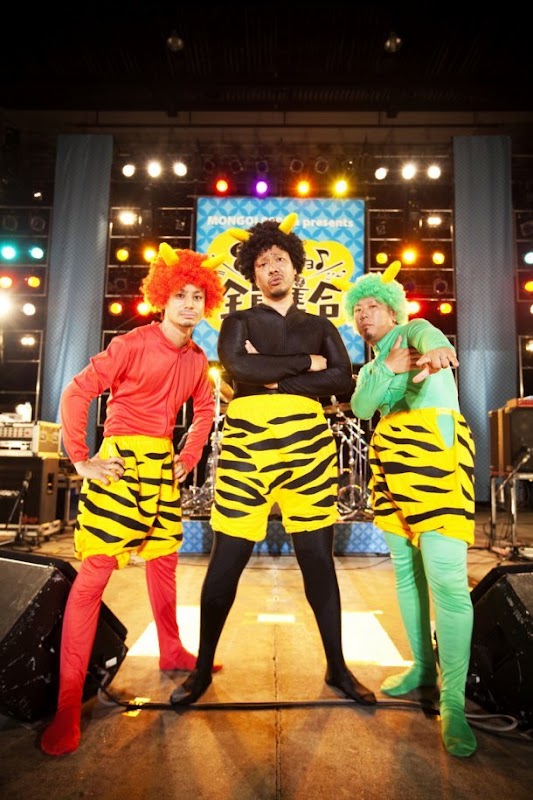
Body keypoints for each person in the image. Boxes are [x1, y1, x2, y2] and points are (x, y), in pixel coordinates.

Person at [170, 213, 377, 708]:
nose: (273, 268)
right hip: (248, 449)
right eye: (263, 263)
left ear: (296, 267)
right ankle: (201, 670)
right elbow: (237, 366)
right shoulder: (238, 321)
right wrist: (306, 364)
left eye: (280, 259)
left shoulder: (321, 325)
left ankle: (338, 667)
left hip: (309, 450)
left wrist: (271, 376)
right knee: (226, 561)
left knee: (318, 561)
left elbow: (342, 380)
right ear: (253, 273)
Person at [40, 242, 225, 756]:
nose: (189, 304)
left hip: (162, 469)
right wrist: (81, 459)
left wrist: (188, 456)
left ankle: (172, 650)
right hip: (120, 466)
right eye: (180, 294)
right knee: (94, 578)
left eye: (197, 296)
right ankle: (66, 707)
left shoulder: (198, 358)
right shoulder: (131, 344)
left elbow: (206, 410)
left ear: (207, 302)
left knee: (165, 563)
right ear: (162, 298)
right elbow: (76, 392)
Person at [344, 262, 477, 757]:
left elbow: (432, 338)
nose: (364, 314)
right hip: (391, 466)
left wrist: (437, 349)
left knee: (447, 580)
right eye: (357, 309)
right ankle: (422, 668)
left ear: (393, 310)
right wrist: (389, 369)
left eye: (372, 306)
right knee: (406, 573)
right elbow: (362, 406)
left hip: (434, 459)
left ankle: (453, 701)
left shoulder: (414, 331)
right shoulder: (374, 364)